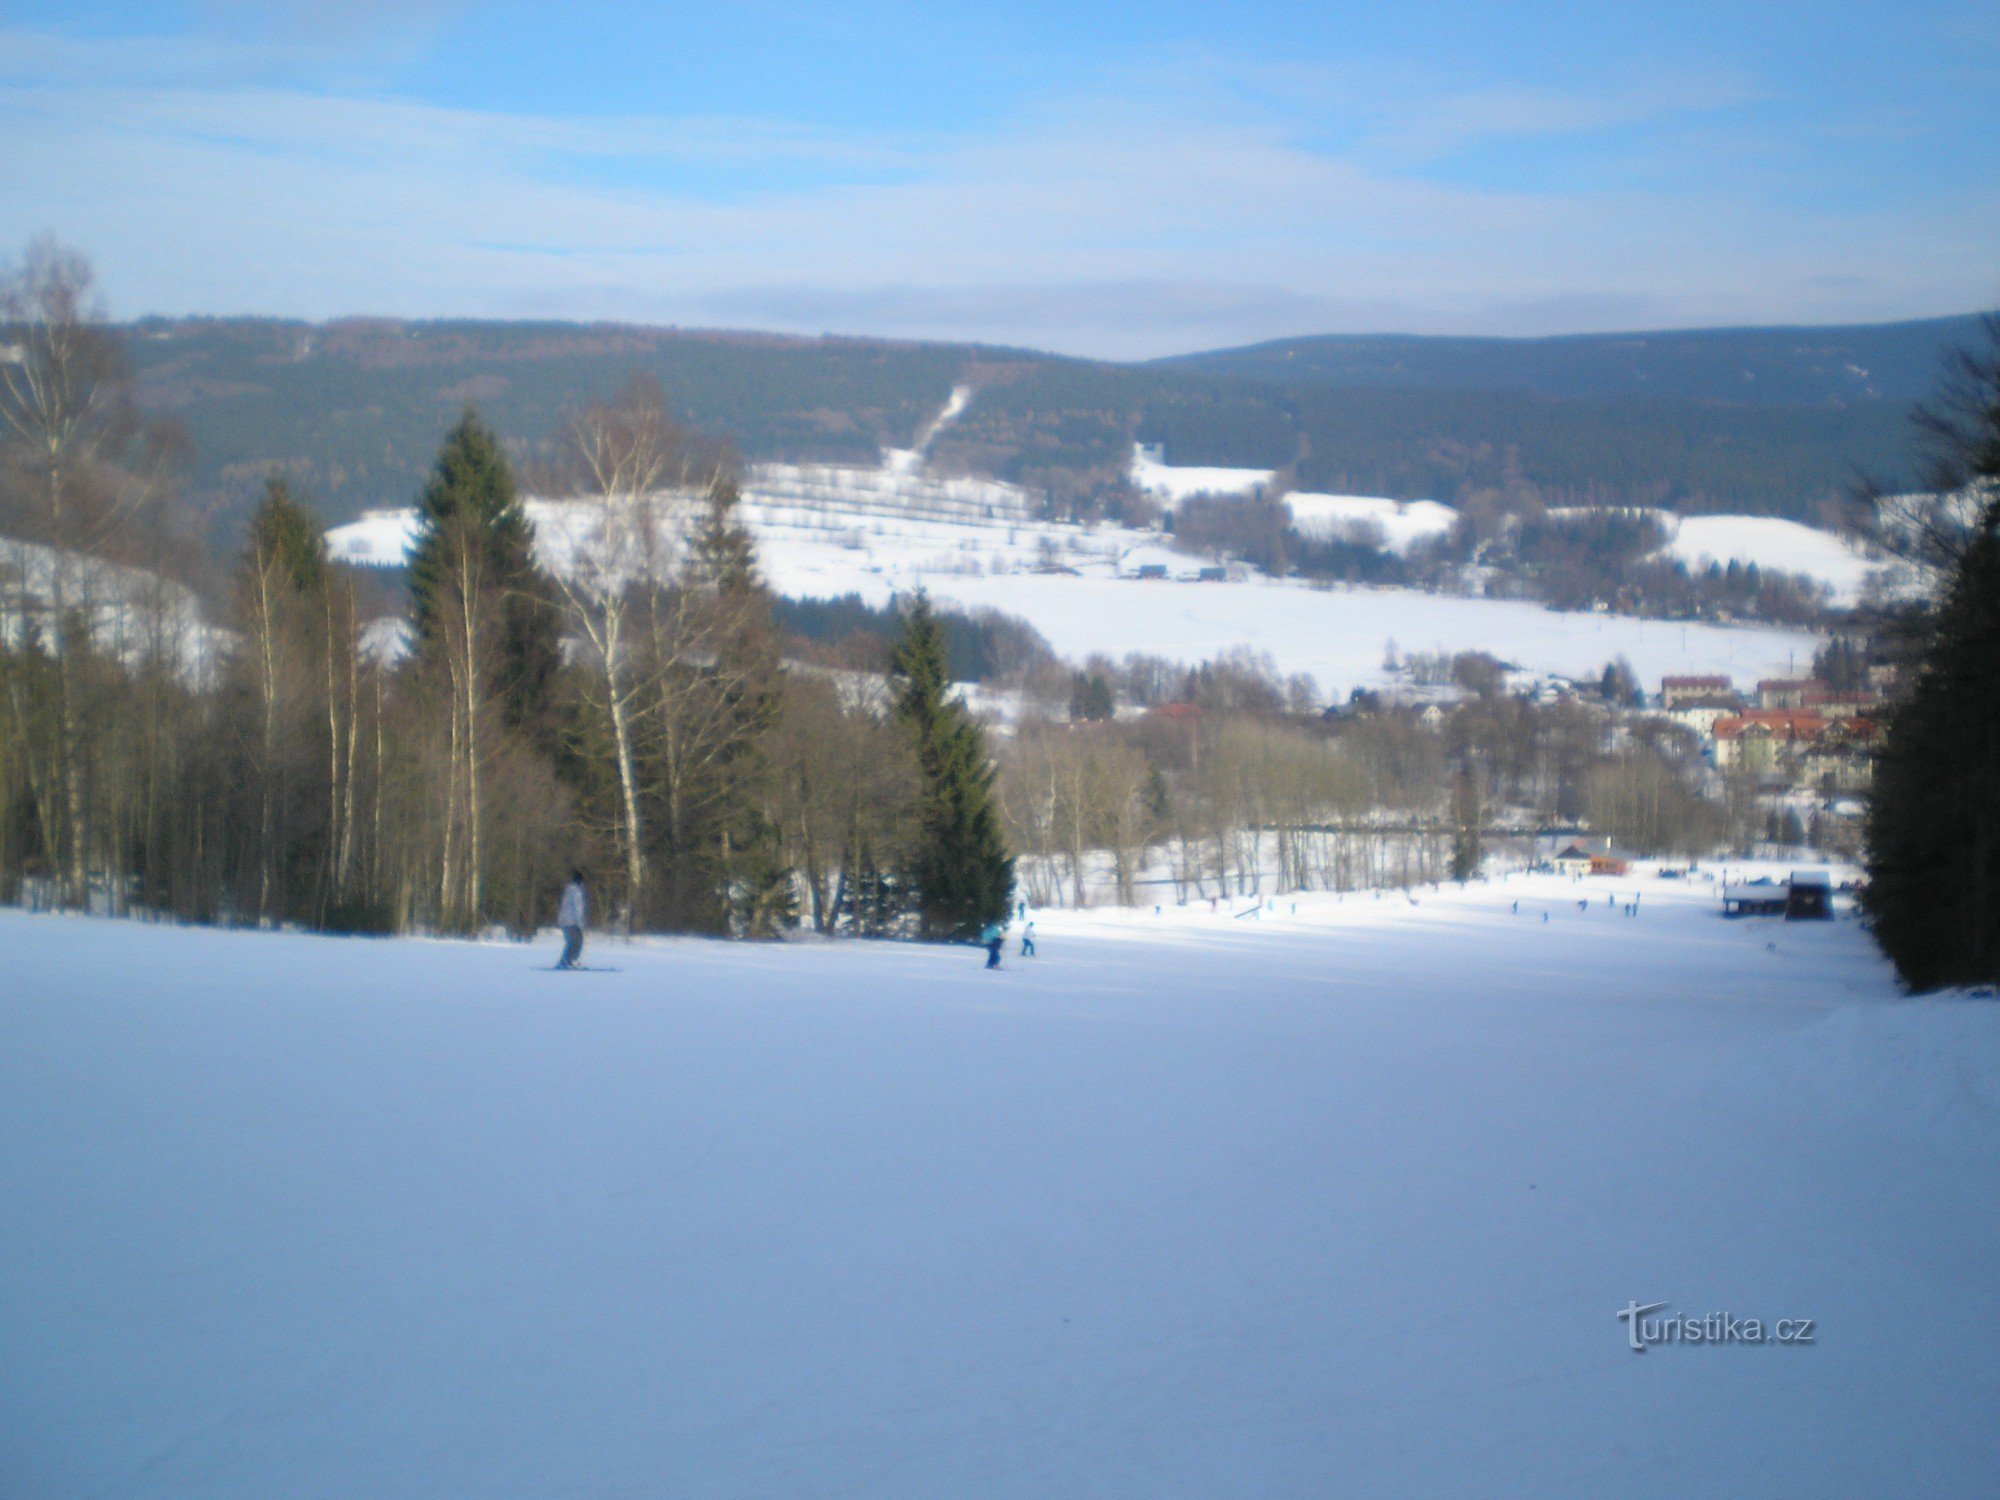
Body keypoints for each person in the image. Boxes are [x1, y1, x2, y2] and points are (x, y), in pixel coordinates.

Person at [556, 870, 587, 970]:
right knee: (576, 941)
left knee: (572, 941)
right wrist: (580, 923)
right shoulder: (576, 892)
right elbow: (577, 908)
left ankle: (566, 960)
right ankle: (569, 960)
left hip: (564, 920)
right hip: (571, 921)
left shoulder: (568, 890)